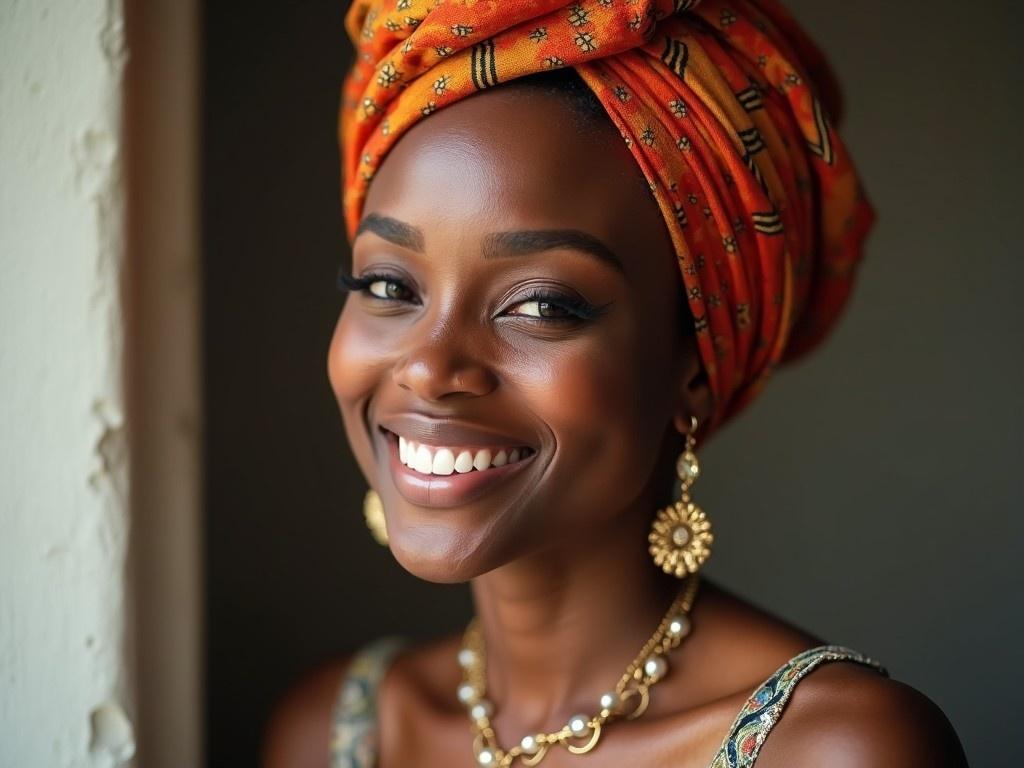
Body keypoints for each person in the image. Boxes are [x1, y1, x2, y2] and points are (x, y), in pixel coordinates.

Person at [264, 1, 968, 765]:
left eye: (540, 305)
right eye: (389, 286)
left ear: (692, 370)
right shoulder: (332, 730)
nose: (431, 368)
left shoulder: (833, 749)